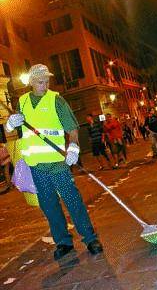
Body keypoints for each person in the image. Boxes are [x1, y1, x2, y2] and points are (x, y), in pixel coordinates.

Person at [5, 64, 103, 260]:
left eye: (47, 81)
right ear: (31, 82)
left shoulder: (56, 100)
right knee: (49, 206)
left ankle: (90, 238)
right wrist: (9, 124)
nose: (45, 84)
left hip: (57, 163)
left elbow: (72, 129)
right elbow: (12, 133)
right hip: (36, 166)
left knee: (73, 201)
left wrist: (73, 147)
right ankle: (63, 242)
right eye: (41, 81)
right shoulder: (22, 102)